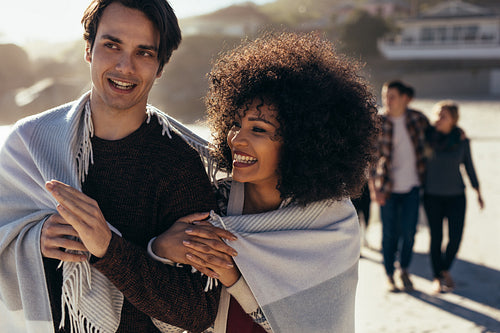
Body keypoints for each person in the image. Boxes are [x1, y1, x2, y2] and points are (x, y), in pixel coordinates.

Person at [0, 1, 230, 332]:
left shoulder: (181, 163)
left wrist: (109, 248)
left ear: (160, 66)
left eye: (144, 53)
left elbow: (198, 311)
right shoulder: (30, 143)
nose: (125, 66)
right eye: (112, 45)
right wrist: (33, 240)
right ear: (89, 49)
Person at [149, 32, 380, 333]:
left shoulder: (331, 222)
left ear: (301, 142)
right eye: (234, 124)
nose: (236, 139)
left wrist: (233, 277)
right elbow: (168, 326)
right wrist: (160, 250)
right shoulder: (210, 203)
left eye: (258, 129)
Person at [369, 80, 429, 292]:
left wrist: (458, 135)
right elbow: (371, 160)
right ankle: (389, 275)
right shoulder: (378, 122)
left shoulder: (417, 119)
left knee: (410, 232)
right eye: (385, 96)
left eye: (392, 96)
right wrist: (374, 189)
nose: (387, 100)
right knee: (389, 234)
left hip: (413, 187)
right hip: (388, 189)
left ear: (405, 98)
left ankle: (404, 269)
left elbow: (435, 139)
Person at [424, 100, 484, 293]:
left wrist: (478, 191)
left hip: (456, 196)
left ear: (453, 120)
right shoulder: (426, 137)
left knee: (455, 237)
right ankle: (436, 277)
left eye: (444, 116)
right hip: (432, 195)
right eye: (437, 114)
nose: (439, 119)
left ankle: (444, 268)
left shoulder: (461, 140)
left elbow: (469, 165)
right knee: (436, 237)